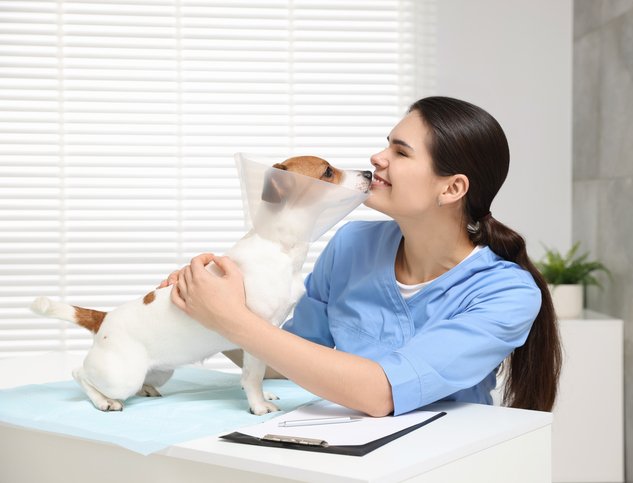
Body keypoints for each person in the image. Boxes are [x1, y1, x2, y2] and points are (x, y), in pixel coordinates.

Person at [160, 96, 561, 417]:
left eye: (401, 152)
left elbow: (381, 393)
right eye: (387, 143)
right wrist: (201, 311)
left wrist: (233, 319)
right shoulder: (352, 245)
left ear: (452, 189)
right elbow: (286, 360)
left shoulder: (507, 293)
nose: (377, 158)